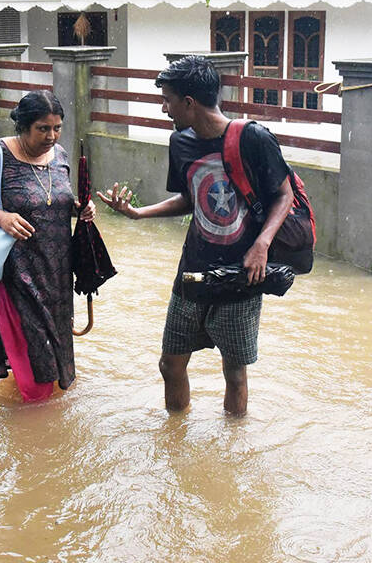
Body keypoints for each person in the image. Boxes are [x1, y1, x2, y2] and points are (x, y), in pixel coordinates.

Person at [98, 56, 293, 416]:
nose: (164, 109)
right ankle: (176, 436)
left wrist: (262, 244)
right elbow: (189, 199)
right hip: (192, 270)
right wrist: (139, 213)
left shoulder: (253, 138)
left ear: (188, 102)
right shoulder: (180, 143)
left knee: (234, 373)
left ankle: (233, 440)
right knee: (170, 365)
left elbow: (285, 195)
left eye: (167, 100)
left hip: (241, 273)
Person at [0, 90, 95, 402]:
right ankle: (34, 424)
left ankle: (42, 418)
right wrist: (1, 217)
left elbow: (54, 201)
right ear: (23, 126)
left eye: (57, 128)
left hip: (57, 275)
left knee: (56, 361)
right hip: (16, 275)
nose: (51, 136)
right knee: (35, 371)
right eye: (43, 129)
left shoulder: (60, 155)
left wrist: (78, 208)